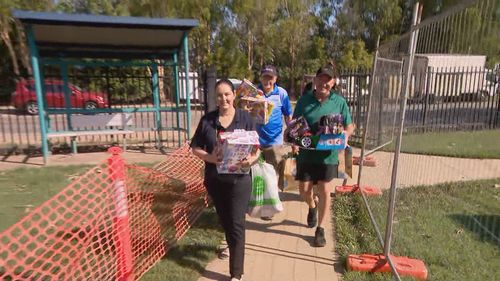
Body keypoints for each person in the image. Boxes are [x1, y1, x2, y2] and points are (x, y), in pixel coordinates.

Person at [190, 79, 260, 281]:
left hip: (240, 180)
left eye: (227, 94)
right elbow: (195, 147)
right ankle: (232, 247)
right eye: (219, 95)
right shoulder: (207, 121)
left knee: (237, 223)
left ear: (234, 95)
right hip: (216, 181)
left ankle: (236, 274)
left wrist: (250, 160)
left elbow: (257, 149)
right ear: (215, 98)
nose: (224, 99)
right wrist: (210, 157)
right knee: (227, 222)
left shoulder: (245, 119)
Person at [292, 63, 354, 247]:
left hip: (328, 155)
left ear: (333, 83)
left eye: (328, 80)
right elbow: (295, 123)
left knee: (325, 190)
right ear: (315, 80)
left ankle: (320, 229)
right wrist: (294, 140)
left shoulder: (339, 102)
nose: (324, 83)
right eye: (321, 79)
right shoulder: (304, 100)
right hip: (306, 154)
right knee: (304, 190)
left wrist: (346, 134)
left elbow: (350, 125)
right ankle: (312, 206)